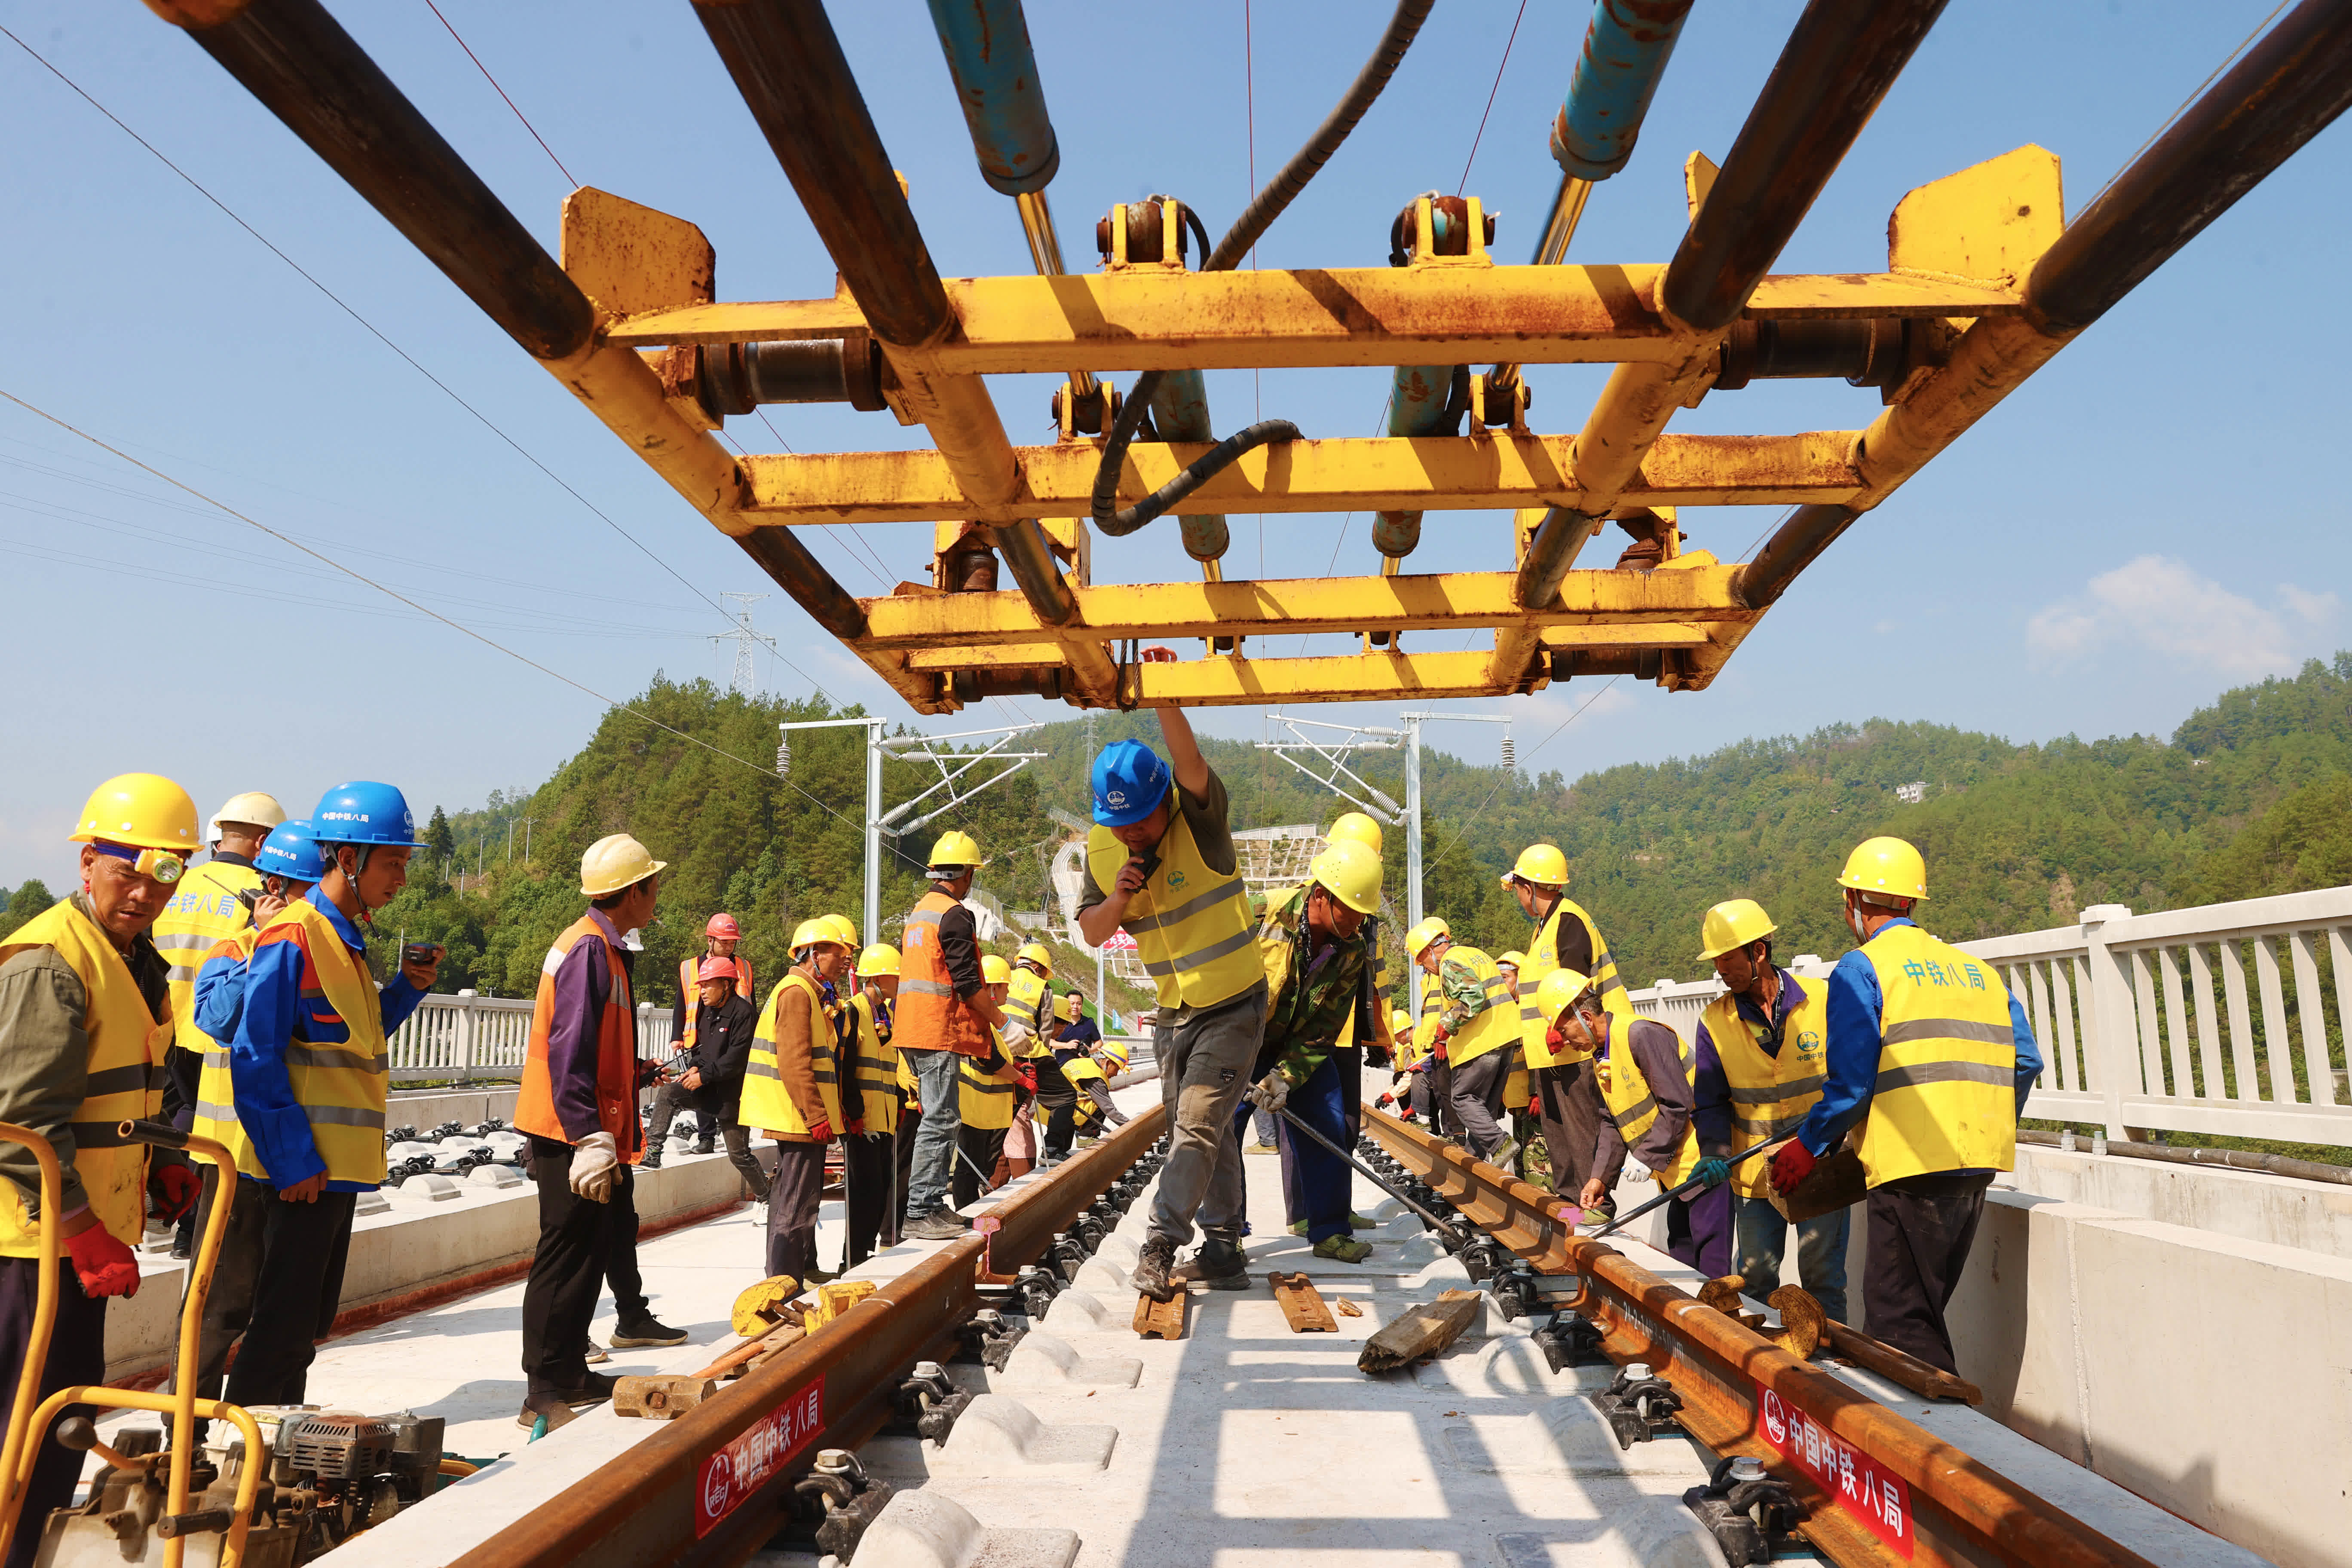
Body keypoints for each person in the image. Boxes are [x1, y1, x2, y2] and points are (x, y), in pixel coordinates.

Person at [0, 774, 198, 1568]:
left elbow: (116, 1091)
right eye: (130, 871)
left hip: (78, 1242)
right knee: (21, 1432)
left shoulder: (134, 961)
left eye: (167, 874)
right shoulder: (53, 963)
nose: (147, 891)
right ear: (89, 862)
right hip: (28, 1247)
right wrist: (81, 1230)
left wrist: (159, 1166)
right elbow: (19, 1128)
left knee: (60, 1425)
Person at [189, 782, 438, 1409]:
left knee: (301, 1330)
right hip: (304, 1173)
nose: (402, 879)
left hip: (337, 1174)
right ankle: (233, 1459)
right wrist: (293, 1158)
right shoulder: (292, 936)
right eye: (394, 863)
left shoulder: (343, 941)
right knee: (275, 1331)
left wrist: (408, 988)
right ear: (348, 859)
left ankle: (274, 1451)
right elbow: (254, 1052)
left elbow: (354, 1042)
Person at [1772, 838, 2041, 1373]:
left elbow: (1851, 1085)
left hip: (1909, 1167)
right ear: (1911, 904)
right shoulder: (1978, 972)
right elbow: (2026, 1062)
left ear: (1853, 901)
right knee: (1924, 1310)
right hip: (1975, 1165)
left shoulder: (1863, 968)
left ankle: (1936, 1449)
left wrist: (1808, 1145)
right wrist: (1982, 1124)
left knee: (1901, 1329)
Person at [1075, 700, 1267, 1302]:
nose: (1130, 833)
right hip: (1171, 1012)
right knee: (1204, 1134)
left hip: (1233, 1001)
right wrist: (1117, 897)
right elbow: (1093, 931)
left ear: (1166, 802)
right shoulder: (1104, 851)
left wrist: (1165, 696)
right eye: (1119, 823)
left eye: (1141, 820)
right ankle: (1224, 1248)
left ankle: (1160, 1243)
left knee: (1196, 1127)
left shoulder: (1201, 822)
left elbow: (1189, 761)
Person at [512, 833, 670, 1428]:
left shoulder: (606, 948)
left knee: (591, 1250)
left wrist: (631, 1077)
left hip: (587, 1127)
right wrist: (587, 1135)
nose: (657, 897)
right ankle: (542, 1390)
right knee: (564, 1253)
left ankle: (571, 1371)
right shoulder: (588, 951)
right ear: (632, 892)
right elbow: (567, 1047)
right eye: (652, 886)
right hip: (568, 1130)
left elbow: (593, 1046)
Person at [1695, 898, 1846, 1323]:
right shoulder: (1714, 1021)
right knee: (1755, 1275)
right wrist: (1713, 1151)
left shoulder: (1822, 999)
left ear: (1758, 952)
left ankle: (1836, 1366)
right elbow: (1709, 1100)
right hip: (1754, 1172)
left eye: (1728, 959)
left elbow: (1849, 1076)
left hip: (1819, 1160)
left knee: (1824, 1276)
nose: (1721, 970)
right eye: (1717, 961)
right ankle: (1758, 1364)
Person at [1244, 839, 1386, 1265]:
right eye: (1351, 908)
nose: (1359, 919)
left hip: (1297, 1043)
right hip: (1240, 1041)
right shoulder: (1260, 913)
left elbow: (1325, 1028)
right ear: (1321, 896)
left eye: (1365, 911)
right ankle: (1224, 1236)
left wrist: (1285, 1076)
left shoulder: (1352, 948)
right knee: (1218, 1129)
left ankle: (1329, 1230)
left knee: (1327, 1117)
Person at [1551, 968, 1735, 1277]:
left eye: (1566, 1033)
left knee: (1712, 1268)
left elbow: (1677, 1102)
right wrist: (1600, 1179)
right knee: (1683, 1258)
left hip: (1702, 1164)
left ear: (1584, 1016)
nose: (1566, 1043)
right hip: (1673, 1175)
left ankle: (1720, 1323)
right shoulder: (1602, 1056)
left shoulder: (1639, 1034)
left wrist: (1646, 1156)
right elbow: (1612, 1120)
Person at [1504, 843, 1632, 1218]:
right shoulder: (1546, 927)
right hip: (1551, 1053)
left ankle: (1596, 1208)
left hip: (1576, 1050)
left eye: (1518, 890)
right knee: (1559, 1139)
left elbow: (1576, 984)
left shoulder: (1569, 920)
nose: (1519, 898)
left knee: (1581, 1134)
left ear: (1529, 886)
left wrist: (1562, 1029)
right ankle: (1570, 1209)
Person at [151, 792, 283, 1146]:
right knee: (208, 1129)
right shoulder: (262, 896)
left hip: (165, 1029)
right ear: (264, 842)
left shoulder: (175, 884)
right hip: (217, 1031)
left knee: (166, 1118)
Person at [896, 830, 1009, 1240]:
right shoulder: (955, 914)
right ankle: (921, 1210)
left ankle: (928, 1207)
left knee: (939, 1116)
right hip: (935, 1029)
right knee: (942, 1118)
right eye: (972, 874)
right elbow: (965, 981)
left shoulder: (921, 910)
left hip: (912, 1028)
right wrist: (1002, 1021)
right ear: (964, 874)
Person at [743, 917, 847, 1285]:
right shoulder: (797, 993)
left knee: (793, 1202)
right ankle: (784, 1283)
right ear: (814, 954)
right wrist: (816, 1116)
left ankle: (785, 1279)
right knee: (795, 1206)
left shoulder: (807, 993)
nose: (846, 960)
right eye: (840, 953)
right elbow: (795, 1060)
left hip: (799, 1118)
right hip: (798, 1120)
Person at [1403, 918, 1516, 1161]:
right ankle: (1476, 1158)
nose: (1426, 967)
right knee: (1484, 1107)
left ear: (1428, 950)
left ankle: (1499, 1143)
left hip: (1481, 1041)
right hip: (1506, 1038)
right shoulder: (1475, 954)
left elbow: (1473, 998)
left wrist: (1446, 1027)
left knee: (1463, 1098)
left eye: (1421, 960)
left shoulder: (1450, 962)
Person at [656, 957, 768, 1200]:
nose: (702, 991)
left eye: (708, 985)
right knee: (668, 1093)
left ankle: (767, 1197)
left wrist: (703, 1076)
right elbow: (703, 1050)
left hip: (732, 1096)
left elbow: (736, 1060)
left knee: (739, 1155)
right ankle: (653, 1152)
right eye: (702, 985)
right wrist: (694, 1068)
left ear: (727, 985)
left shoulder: (745, 1014)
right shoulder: (707, 1012)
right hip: (707, 1086)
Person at [653, 913, 756, 1158]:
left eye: (732, 942)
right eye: (724, 942)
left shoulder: (743, 967)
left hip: (731, 1032)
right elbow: (681, 1001)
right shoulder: (690, 967)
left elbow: (751, 1001)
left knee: (725, 1085)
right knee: (697, 1081)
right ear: (710, 941)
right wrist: (677, 1034)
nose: (729, 946)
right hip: (698, 1032)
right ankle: (706, 1136)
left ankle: (734, 1139)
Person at [841, 943, 903, 1266]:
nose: (899, 983)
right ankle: (851, 1261)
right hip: (862, 1120)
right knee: (863, 1195)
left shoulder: (888, 1014)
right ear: (879, 977)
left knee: (879, 1194)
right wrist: (853, 1112)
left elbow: (891, 1065)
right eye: (896, 977)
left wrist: (903, 1101)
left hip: (886, 1119)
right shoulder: (854, 1010)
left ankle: (864, 1257)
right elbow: (847, 1064)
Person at [952, 955, 1026, 1207]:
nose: (1008, 991)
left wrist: (1016, 1068)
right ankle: (966, 1210)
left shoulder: (988, 1020)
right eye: (1005, 986)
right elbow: (989, 1059)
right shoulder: (977, 1017)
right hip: (974, 1106)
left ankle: (970, 1208)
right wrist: (1021, 1079)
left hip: (984, 1108)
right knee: (969, 1165)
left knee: (977, 1162)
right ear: (993, 989)